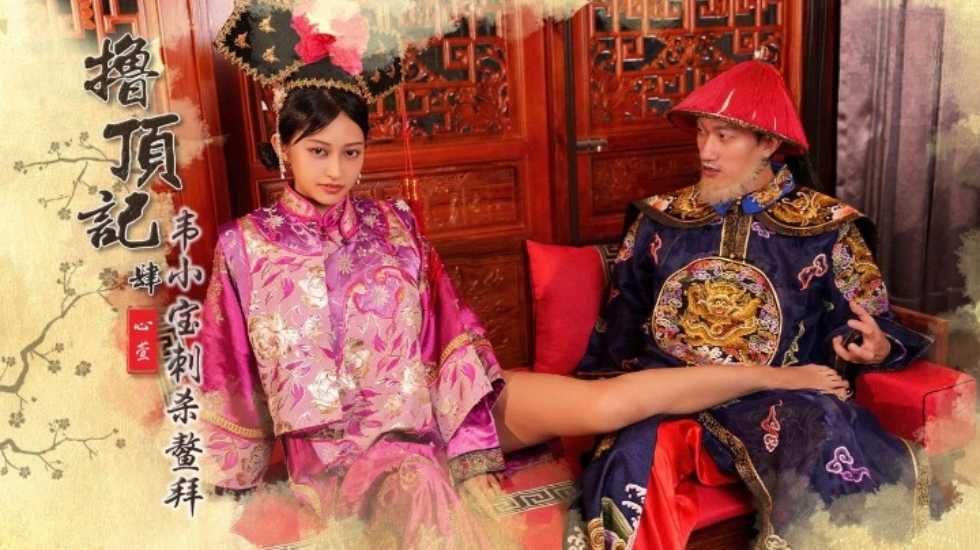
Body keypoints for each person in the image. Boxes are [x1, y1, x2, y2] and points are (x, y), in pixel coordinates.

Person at [201, 4, 852, 548]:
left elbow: (448, 327)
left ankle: (773, 376)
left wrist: (462, 428)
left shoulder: (393, 224)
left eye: (352, 152)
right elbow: (227, 375)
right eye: (318, 151)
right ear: (282, 146)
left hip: (444, 402)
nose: (336, 171)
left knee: (606, 402)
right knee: (415, 483)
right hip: (345, 450)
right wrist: (229, 489)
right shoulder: (246, 247)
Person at [572, 59, 934, 550]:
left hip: (777, 399)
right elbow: (621, 320)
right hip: (669, 393)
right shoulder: (660, 218)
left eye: (724, 137)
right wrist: (607, 392)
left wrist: (875, 346)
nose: (706, 150)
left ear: (768, 143)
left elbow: (868, 321)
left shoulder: (826, 227)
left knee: (823, 429)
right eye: (702, 133)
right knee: (627, 460)